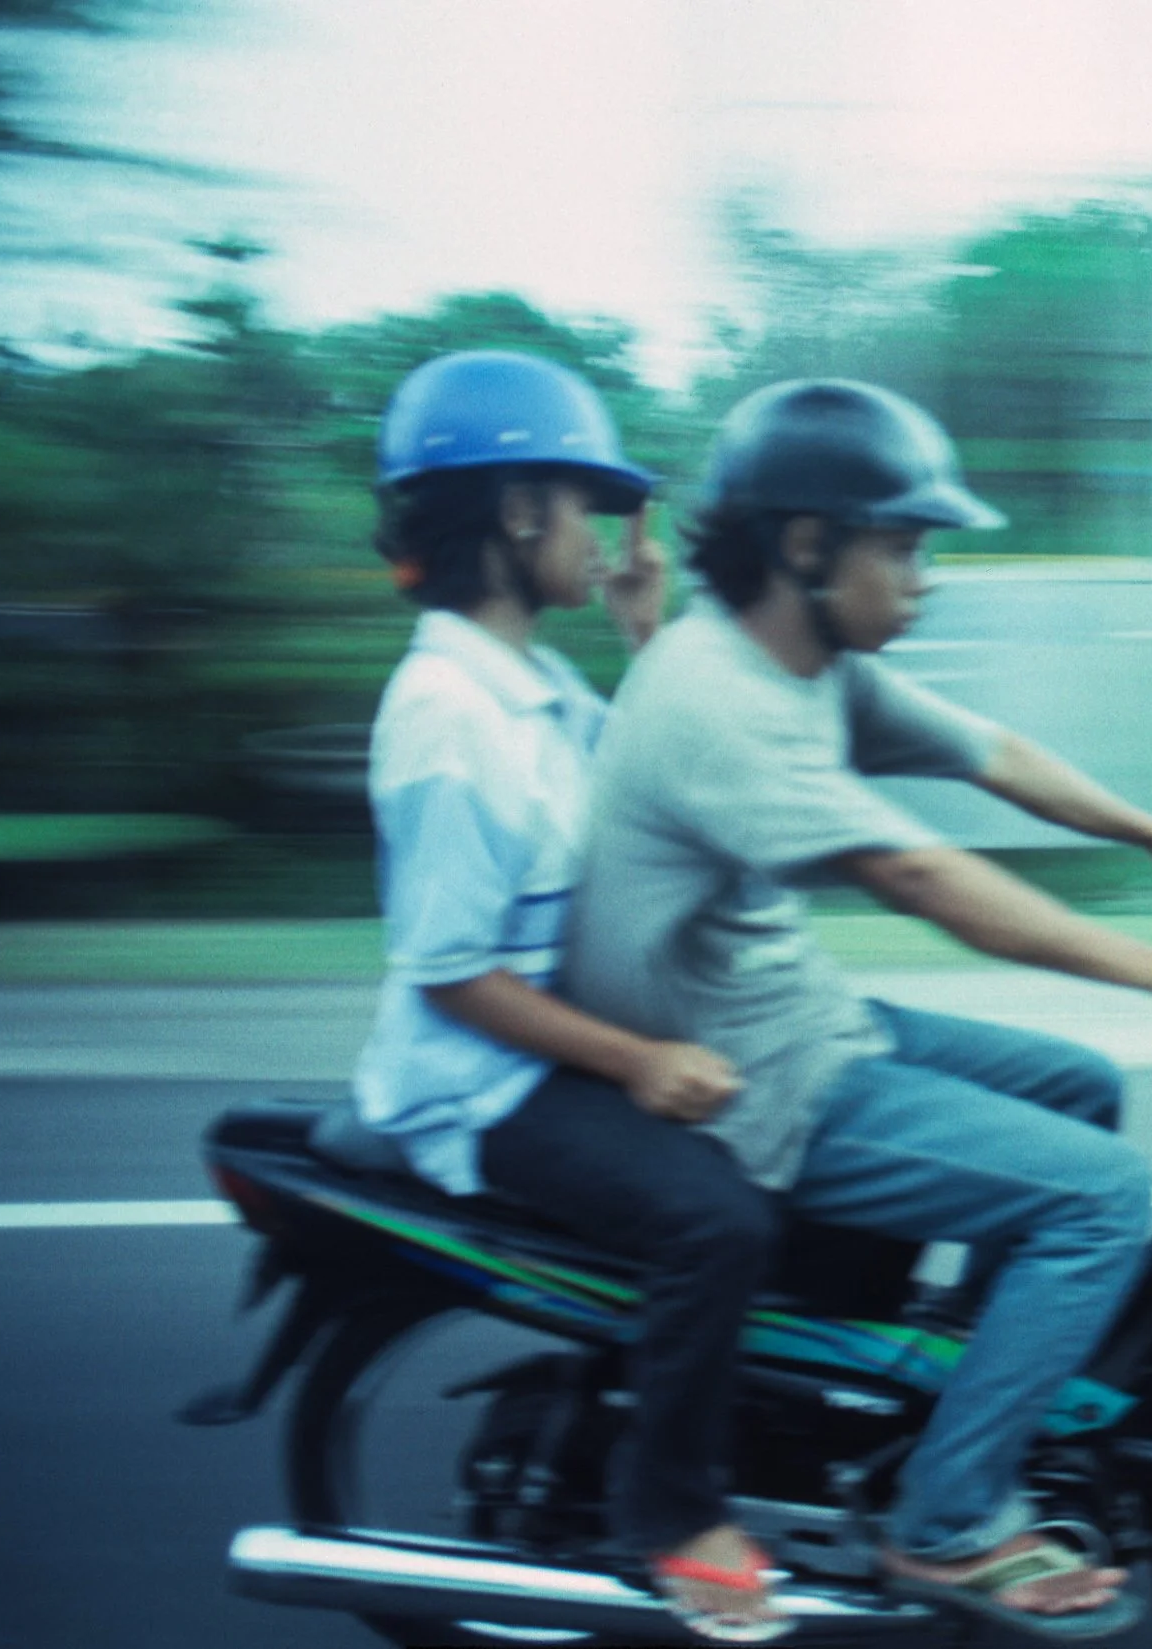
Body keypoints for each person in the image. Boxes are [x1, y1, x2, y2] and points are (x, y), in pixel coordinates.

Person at [564, 378, 1152, 1639]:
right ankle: (946, 1520)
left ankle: (962, 1394)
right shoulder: (725, 701)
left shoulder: (804, 660)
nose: (926, 576)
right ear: (805, 545)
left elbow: (993, 754)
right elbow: (922, 877)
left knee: (1078, 1088)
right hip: (746, 1076)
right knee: (1099, 1195)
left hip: (792, 1011)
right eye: (903, 545)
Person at [351, 351, 788, 1643]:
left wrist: (646, 624)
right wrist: (638, 1063)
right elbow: (452, 972)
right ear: (512, 513)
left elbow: (659, 783)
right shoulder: (448, 718)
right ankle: (671, 1517)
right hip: (480, 1083)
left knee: (798, 1136)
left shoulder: (533, 688)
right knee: (716, 1222)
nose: (604, 532)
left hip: (550, 1045)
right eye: (580, 502)